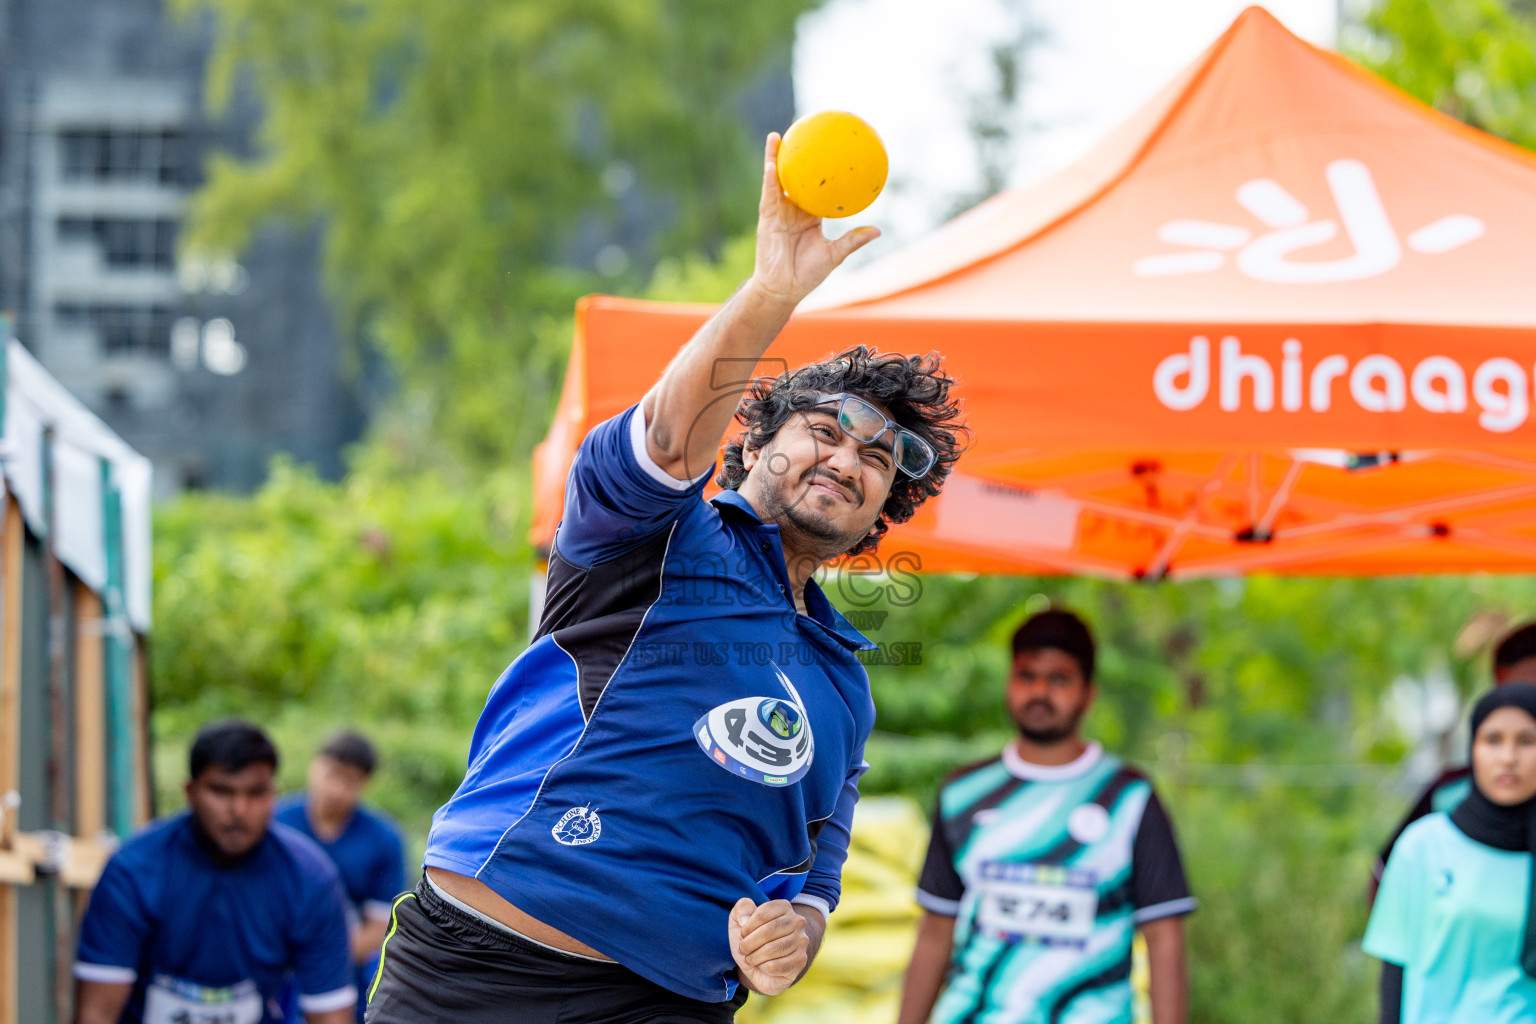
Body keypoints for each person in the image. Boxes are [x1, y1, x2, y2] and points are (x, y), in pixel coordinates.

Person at [363, 131, 967, 1024]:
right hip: (488, 971)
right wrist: (771, 295)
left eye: (878, 459)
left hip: (673, 1006)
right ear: (754, 440)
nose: (848, 458)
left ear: (883, 511)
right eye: (824, 430)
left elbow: (813, 885)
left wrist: (791, 940)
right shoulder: (656, 533)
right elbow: (665, 442)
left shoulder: (845, 683)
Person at [898, 610, 1195, 1024]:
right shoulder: (962, 793)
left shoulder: (1130, 797)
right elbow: (934, 933)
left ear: (1088, 693)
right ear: (1009, 684)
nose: (1039, 691)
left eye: (1058, 678)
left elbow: (1165, 940)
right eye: (1026, 675)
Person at [73, 720, 355, 1024]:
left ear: (274, 793)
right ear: (191, 791)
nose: (239, 810)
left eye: (256, 793)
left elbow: (331, 1015)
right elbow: (97, 1014)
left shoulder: (310, 879)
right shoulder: (133, 873)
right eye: (222, 791)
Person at [1371, 621, 1536, 1023]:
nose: (1509, 758)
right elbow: (1396, 963)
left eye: (1527, 742)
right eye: (1494, 741)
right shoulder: (1428, 833)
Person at [275, 732, 406, 1024]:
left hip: (342, 958)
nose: (336, 789)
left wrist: (321, 959)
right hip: (274, 952)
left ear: (364, 784)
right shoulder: (276, 821)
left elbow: (378, 925)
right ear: (314, 766)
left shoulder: (383, 838)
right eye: (331, 774)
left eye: (350, 781)